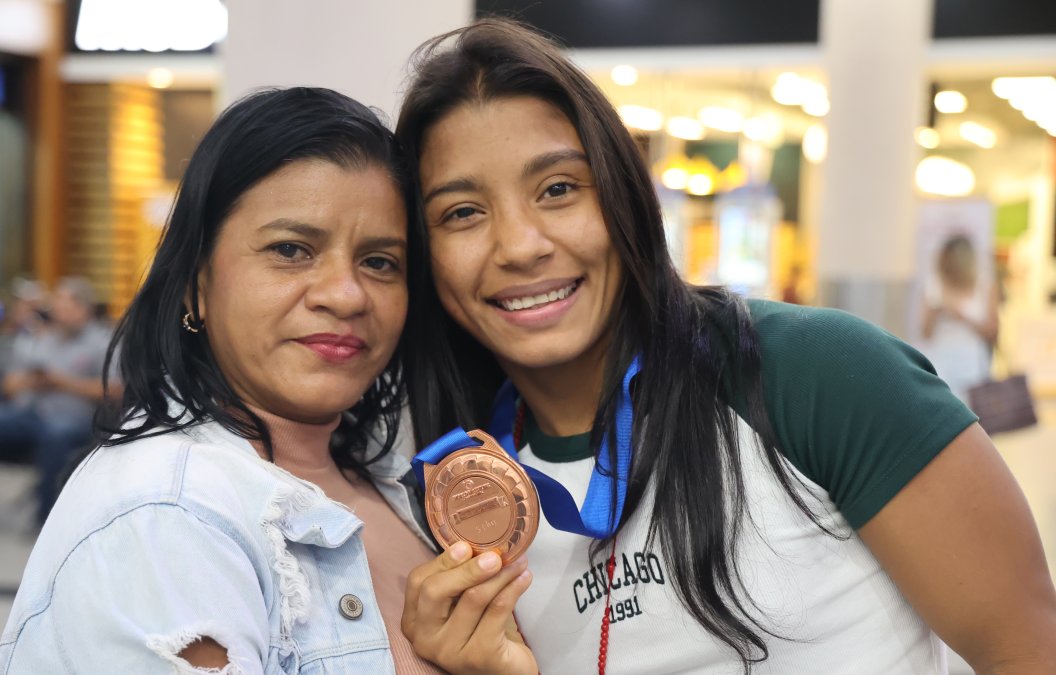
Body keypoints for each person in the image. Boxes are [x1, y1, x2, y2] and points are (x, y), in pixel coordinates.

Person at [395, 20, 1056, 675]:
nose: (519, 244)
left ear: (625, 194)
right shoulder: (463, 502)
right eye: (462, 213)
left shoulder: (817, 375)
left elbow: (1028, 651)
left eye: (559, 189)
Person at [0, 88, 442, 674]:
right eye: (291, 250)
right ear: (195, 283)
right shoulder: (168, 515)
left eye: (380, 261)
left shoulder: (387, 481)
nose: (346, 294)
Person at [0, 277, 115, 529]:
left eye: (68, 306)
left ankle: (46, 519)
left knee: (55, 436)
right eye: (58, 306)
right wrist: (33, 381)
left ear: (85, 309)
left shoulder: (102, 343)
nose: (61, 313)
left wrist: (62, 382)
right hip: (31, 413)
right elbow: (8, 385)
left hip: (78, 419)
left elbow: (114, 391)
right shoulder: (38, 339)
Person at [920, 235, 998, 404]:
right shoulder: (935, 284)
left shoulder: (984, 285)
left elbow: (992, 331)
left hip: (972, 363)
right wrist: (937, 312)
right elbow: (925, 332)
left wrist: (962, 317)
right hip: (940, 361)